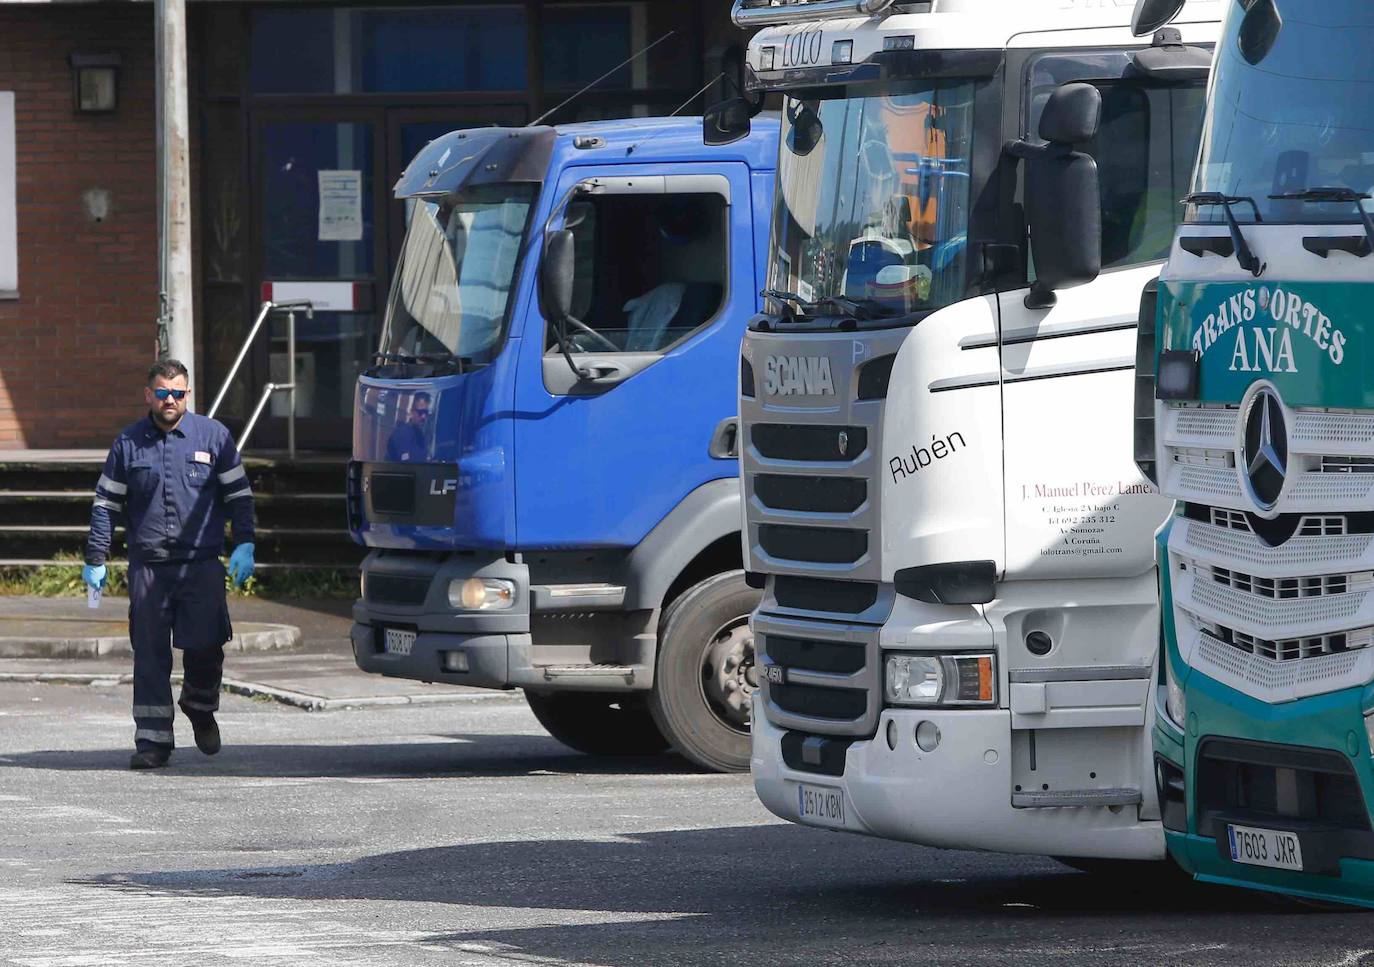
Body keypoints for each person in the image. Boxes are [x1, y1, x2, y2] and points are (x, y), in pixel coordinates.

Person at [82, 359, 257, 770]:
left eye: (177, 393)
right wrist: (96, 558)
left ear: (187, 394)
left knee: (206, 646)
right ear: (149, 395)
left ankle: (199, 705)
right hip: (149, 569)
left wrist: (245, 543)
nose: (170, 400)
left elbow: (240, 497)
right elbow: (106, 505)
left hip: (200, 565)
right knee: (150, 656)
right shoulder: (128, 444)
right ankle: (153, 741)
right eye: (162, 393)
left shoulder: (213, 437)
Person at [385, 390, 431, 463]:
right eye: (420, 412)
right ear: (411, 411)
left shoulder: (424, 436)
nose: (423, 416)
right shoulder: (399, 434)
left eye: (426, 412)